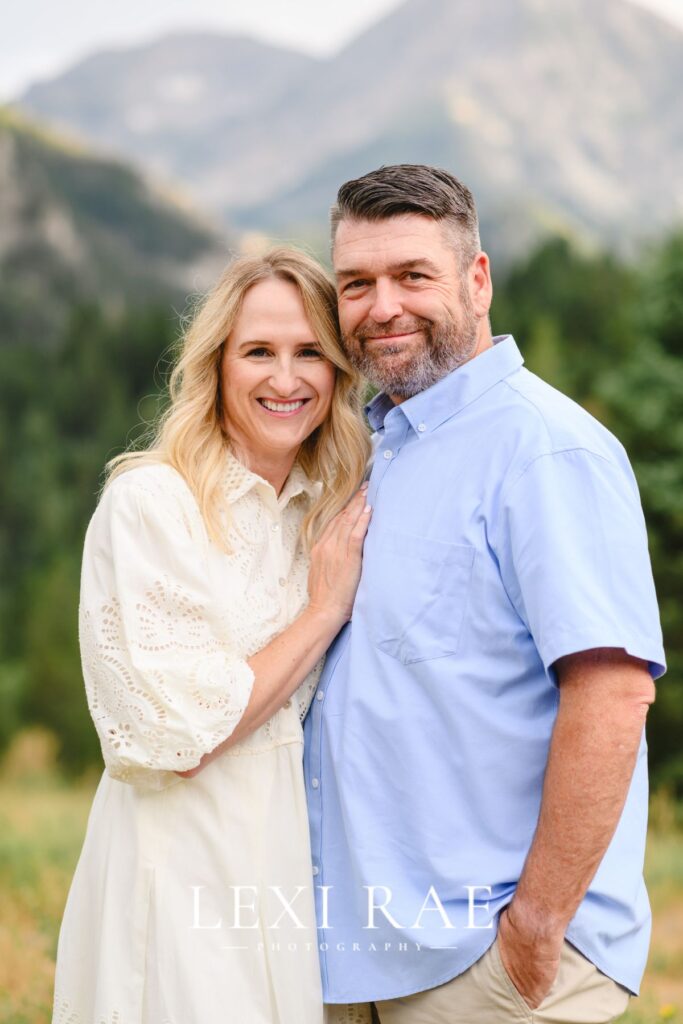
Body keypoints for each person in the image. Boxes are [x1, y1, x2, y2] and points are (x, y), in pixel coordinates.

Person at [304, 165, 666, 1024]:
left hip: (488, 967)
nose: (380, 306)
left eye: (411, 276)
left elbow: (612, 694)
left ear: (477, 279)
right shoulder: (376, 447)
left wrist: (533, 933)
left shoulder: (544, 450)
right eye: (356, 283)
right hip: (359, 959)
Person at [51, 247, 375, 1024]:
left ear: (337, 373)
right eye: (258, 351)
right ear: (216, 365)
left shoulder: (323, 511)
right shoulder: (151, 503)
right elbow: (176, 735)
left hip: (285, 857)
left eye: (310, 354)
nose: (285, 379)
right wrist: (322, 613)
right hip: (178, 855)